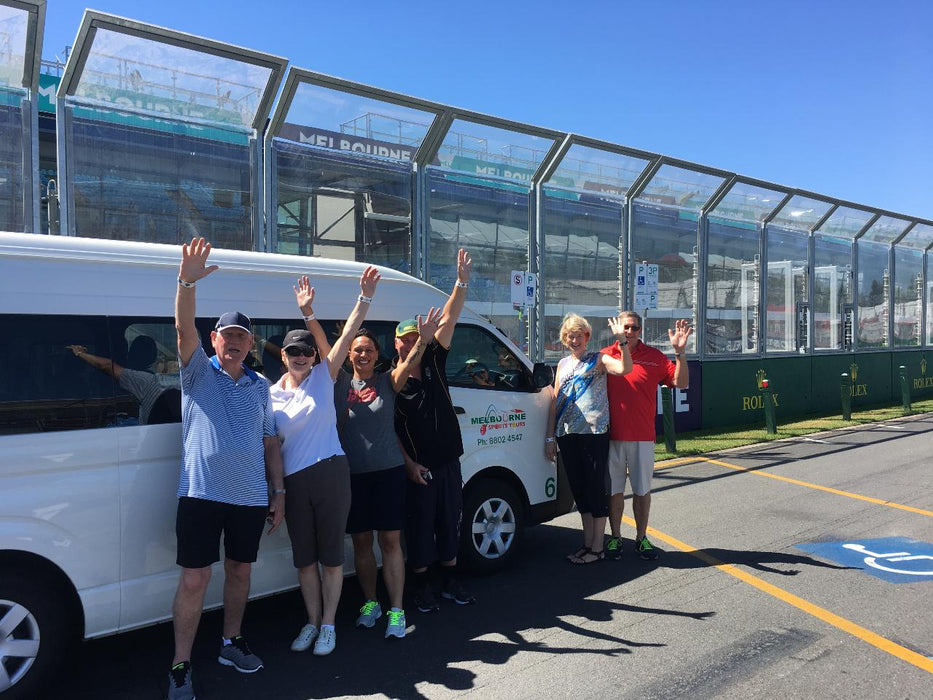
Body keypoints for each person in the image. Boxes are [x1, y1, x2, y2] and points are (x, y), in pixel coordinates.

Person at [168, 238, 285, 700]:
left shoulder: (261, 386)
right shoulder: (197, 372)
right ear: (214, 340)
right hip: (199, 493)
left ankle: (230, 643)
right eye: (226, 335)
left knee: (240, 572)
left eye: (242, 336)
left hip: (250, 497)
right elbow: (182, 330)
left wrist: (278, 493)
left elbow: (270, 443)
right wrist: (187, 283)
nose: (233, 342)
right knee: (195, 578)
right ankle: (180, 665)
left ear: (251, 344)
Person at [271, 266, 381, 657]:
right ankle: (312, 622)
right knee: (305, 559)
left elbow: (350, 332)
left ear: (314, 356)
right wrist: (277, 491)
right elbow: (270, 446)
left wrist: (360, 298)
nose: (299, 357)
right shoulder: (271, 396)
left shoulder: (324, 376)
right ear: (282, 356)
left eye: (306, 352)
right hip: (295, 482)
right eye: (292, 352)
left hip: (331, 474)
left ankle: (330, 625)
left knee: (331, 555)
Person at [335, 310, 440, 640]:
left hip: (389, 473)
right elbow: (327, 348)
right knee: (362, 544)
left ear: (377, 355)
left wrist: (423, 339)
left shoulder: (387, 381)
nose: (363, 354)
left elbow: (408, 365)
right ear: (349, 353)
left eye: (369, 349)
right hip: (353, 476)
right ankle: (371, 604)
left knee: (391, 542)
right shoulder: (338, 383)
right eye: (357, 349)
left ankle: (396, 609)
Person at [395, 248, 475, 612]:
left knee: (450, 522)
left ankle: (450, 581)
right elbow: (390, 431)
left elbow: (451, 316)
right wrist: (409, 464)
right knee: (421, 528)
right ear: (396, 343)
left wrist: (460, 282)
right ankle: (422, 586)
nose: (413, 342)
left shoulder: (434, 363)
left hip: (448, 461)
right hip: (420, 468)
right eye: (406, 338)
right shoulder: (391, 380)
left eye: (417, 337)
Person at [601, 312, 692, 561]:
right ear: (617, 327)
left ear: (641, 330)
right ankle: (616, 537)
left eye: (634, 328)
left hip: (643, 437)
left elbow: (681, 382)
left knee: (642, 491)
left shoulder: (655, 357)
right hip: (612, 437)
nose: (629, 332)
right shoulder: (605, 355)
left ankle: (641, 538)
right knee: (614, 491)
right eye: (625, 327)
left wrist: (680, 353)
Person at [545, 313, 632, 564]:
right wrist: (549, 437)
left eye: (579, 335)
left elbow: (626, 368)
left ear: (587, 337)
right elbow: (554, 402)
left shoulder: (599, 360)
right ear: (564, 338)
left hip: (593, 434)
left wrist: (622, 342)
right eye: (570, 336)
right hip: (567, 434)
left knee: (595, 489)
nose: (574, 340)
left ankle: (597, 548)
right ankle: (586, 544)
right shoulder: (561, 365)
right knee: (580, 491)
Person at [66, 336, 181, 425]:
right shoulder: (160, 380)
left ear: (131, 352)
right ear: (154, 356)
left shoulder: (144, 380)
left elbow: (107, 366)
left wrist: (80, 354)